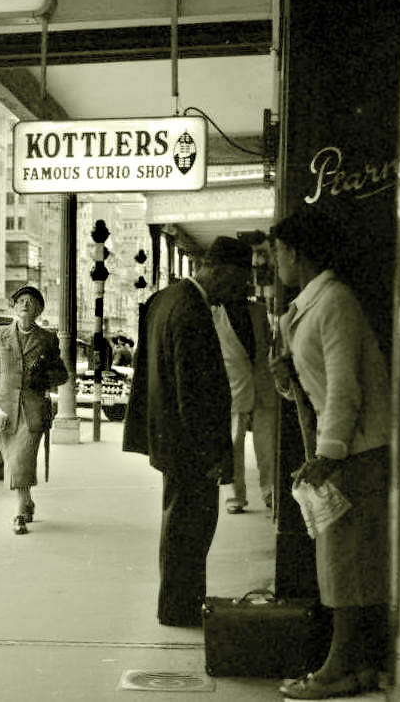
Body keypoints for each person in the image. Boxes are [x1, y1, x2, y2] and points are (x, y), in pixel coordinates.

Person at [269, 207, 391, 699]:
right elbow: (320, 386)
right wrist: (286, 378)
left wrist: (329, 454)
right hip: (345, 450)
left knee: (344, 564)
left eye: (276, 251)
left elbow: (344, 390)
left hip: (355, 453)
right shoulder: (311, 306)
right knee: (343, 562)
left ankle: (339, 669)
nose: (274, 261)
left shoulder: (334, 302)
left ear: (295, 252)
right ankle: (357, 665)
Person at [123, 237, 250, 627]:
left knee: (180, 526)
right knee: (191, 530)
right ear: (220, 271)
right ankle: (181, 608)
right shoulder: (191, 310)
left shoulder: (164, 300)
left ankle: (179, 604)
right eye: (237, 282)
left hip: (170, 438)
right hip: (191, 447)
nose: (236, 293)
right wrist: (212, 455)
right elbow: (193, 392)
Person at [0, 286, 68, 535]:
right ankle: (27, 501)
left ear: (38, 309)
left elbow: (62, 374)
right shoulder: (0, 333)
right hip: (4, 411)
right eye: (21, 300)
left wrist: (44, 375)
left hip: (33, 409)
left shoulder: (47, 339)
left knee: (21, 459)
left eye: (31, 301)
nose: (25, 304)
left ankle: (19, 514)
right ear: (14, 307)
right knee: (14, 461)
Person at [212, 296, 277, 513]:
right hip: (234, 385)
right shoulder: (214, 313)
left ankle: (271, 492)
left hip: (262, 382)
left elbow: (267, 342)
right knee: (233, 443)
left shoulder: (259, 311)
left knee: (268, 443)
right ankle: (234, 497)